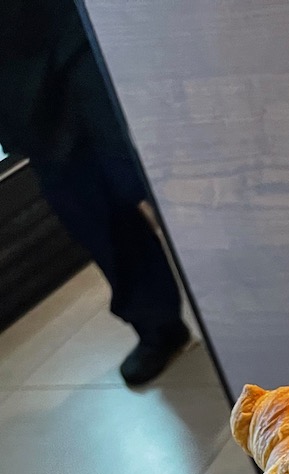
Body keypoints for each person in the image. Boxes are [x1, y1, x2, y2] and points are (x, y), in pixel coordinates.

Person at [0, 0, 190, 386]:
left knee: (164, 178)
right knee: (92, 212)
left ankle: (247, 294)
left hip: (78, 36)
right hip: (17, 89)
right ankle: (158, 326)